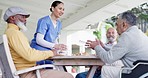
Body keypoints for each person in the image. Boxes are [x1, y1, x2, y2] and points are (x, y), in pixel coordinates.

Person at [3, 6, 73, 78]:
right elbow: (30, 55)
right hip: (27, 73)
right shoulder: (14, 33)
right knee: (68, 76)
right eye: (23, 17)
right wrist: (52, 52)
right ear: (12, 18)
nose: (25, 20)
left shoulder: (9, 32)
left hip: (28, 70)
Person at [86, 11, 148, 78]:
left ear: (124, 25)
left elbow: (108, 58)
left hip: (133, 72)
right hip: (143, 72)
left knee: (106, 69)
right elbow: (120, 51)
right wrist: (103, 47)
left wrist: (96, 47)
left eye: (117, 24)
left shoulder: (127, 36)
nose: (116, 27)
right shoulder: (140, 34)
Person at [30, 0, 66, 65]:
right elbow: (39, 40)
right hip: (38, 50)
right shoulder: (44, 21)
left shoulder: (59, 23)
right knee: (44, 70)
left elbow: (54, 39)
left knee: (54, 68)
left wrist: (59, 47)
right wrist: (55, 46)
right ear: (52, 8)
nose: (62, 11)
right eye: (60, 9)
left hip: (49, 51)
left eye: (63, 9)